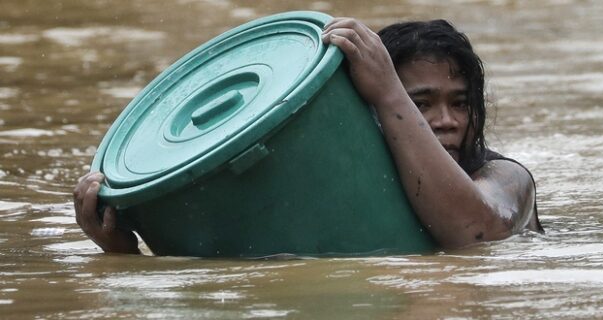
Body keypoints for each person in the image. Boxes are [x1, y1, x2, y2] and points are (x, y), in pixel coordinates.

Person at [73, 17, 542, 254]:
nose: (447, 120)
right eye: (421, 103)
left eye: (460, 103)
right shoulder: (345, 187)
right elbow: (241, 266)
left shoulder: (506, 177)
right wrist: (125, 253)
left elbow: (478, 233)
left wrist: (390, 93)